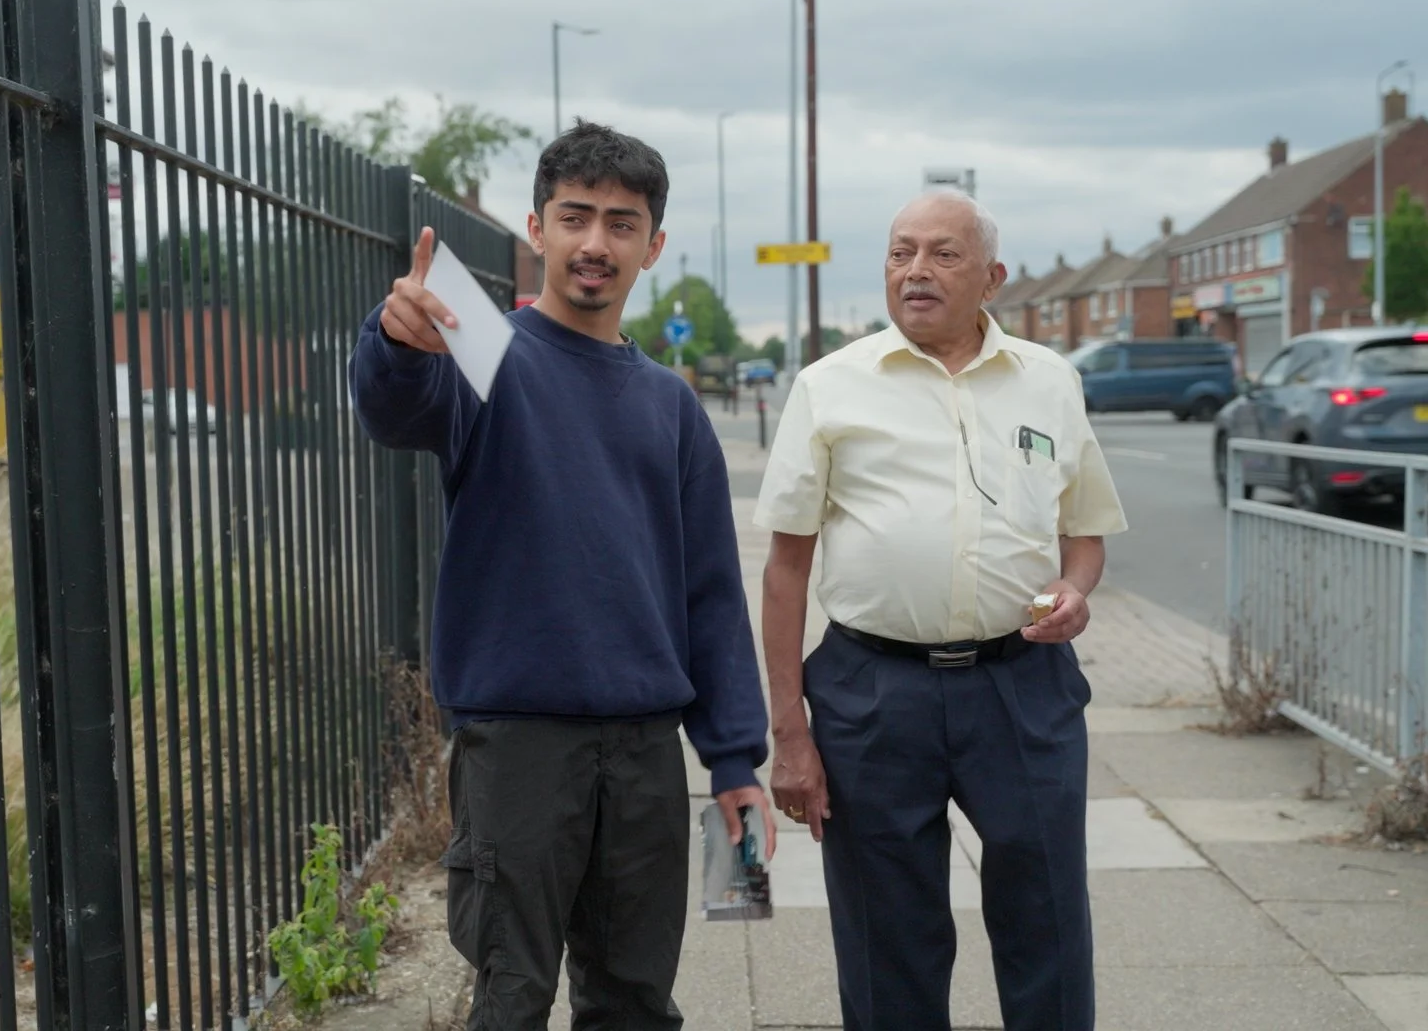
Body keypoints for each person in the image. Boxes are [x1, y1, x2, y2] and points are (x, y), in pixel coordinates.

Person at [348, 119, 774, 1029]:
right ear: (536, 230)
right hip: (517, 749)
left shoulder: (672, 407)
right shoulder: (485, 357)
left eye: (622, 224)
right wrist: (393, 339)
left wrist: (734, 759)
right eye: (574, 217)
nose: (595, 243)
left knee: (633, 1002)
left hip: (646, 756)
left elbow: (710, 594)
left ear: (653, 247)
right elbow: (396, 407)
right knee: (511, 999)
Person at [753, 189, 1126, 1031]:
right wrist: (790, 734)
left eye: (942, 254)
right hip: (871, 692)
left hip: (1023, 686)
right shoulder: (829, 387)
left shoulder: (1050, 382)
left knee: (1049, 920)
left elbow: (1088, 536)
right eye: (899, 252)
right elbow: (784, 572)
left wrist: (1076, 589)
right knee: (890, 938)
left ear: (991, 276)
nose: (915, 271)